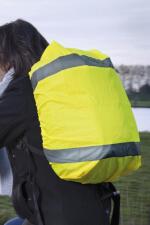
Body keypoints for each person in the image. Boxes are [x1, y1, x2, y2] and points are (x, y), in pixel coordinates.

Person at [0, 19, 117, 225]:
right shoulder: (58, 90)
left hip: (58, 217)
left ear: (7, 56)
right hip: (98, 209)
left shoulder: (25, 91)